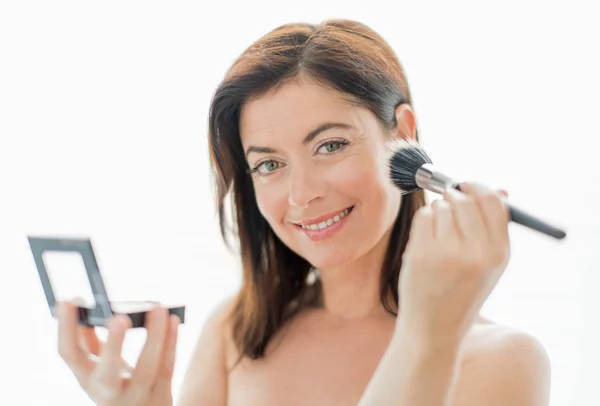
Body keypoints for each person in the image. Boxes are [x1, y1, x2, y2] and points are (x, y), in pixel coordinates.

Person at [55, 19, 551, 405]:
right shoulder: (236, 331)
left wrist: (428, 337)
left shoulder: (501, 361)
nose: (301, 195)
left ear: (403, 132)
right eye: (269, 164)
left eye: (330, 145)